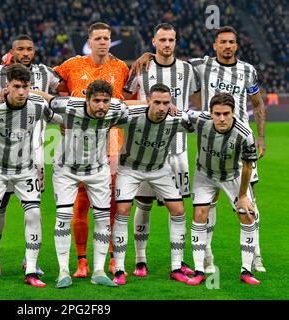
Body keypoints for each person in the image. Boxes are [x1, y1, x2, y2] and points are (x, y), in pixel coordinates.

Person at [136, 26, 266, 274]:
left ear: (236, 45)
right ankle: (206, 256)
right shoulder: (201, 66)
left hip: (240, 141)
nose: (227, 46)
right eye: (223, 42)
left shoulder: (248, 70)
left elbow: (257, 104)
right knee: (208, 202)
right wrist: (148, 55)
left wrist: (260, 137)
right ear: (214, 46)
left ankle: (256, 255)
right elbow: (168, 55)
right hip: (210, 139)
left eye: (231, 42)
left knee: (249, 200)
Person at [33, 79, 128, 288]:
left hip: (97, 170)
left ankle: (99, 271)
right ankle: (63, 271)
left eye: (105, 101)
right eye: (96, 101)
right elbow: (47, 99)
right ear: (87, 99)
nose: (101, 106)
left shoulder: (115, 109)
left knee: (103, 219)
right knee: (64, 216)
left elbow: (133, 107)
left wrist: (151, 102)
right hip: (66, 170)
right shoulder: (69, 106)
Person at [54, 22, 129, 278]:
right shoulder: (72, 65)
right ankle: (82, 261)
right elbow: (55, 86)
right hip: (78, 144)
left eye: (107, 38)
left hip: (112, 144)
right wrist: (63, 118)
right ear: (89, 40)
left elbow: (128, 100)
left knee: (110, 206)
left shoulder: (121, 68)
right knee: (80, 205)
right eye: (98, 38)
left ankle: (110, 259)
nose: (103, 42)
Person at [123, 23, 198, 277]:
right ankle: (140, 260)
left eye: (171, 40)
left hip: (177, 150)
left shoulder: (188, 70)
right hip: (146, 150)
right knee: (142, 204)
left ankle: (178, 261)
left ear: (176, 42)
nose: (167, 44)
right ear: (153, 42)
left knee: (177, 208)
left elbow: (193, 99)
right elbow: (128, 101)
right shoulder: (142, 68)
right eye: (162, 40)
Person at [0, 34, 62, 276]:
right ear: (12, 50)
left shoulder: (46, 73)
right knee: (0, 205)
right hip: (3, 150)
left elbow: (65, 90)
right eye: (20, 49)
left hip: (36, 152)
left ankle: (30, 261)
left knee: (33, 208)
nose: (25, 53)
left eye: (29, 49)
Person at [113, 83, 195, 285]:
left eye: (166, 103)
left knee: (178, 210)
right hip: (130, 168)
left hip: (159, 169)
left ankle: (176, 266)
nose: (161, 107)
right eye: (156, 102)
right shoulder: (131, 115)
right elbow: (113, 106)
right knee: (123, 209)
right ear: (148, 100)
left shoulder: (176, 117)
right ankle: (122, 268)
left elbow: (203, 122)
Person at [185, 92, 260, 285]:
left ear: (233, 112)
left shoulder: (245, 133)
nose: (221, 118)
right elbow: (178, 115)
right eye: (217, 114)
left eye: (226, 113)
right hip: (205, 175)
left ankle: (246, 270)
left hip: (232, 176)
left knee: (247, 214)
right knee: (199, 215)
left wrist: (243, 195)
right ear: (210, 113)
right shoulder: (200, 120)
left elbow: (247, 166)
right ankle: (199, 270)